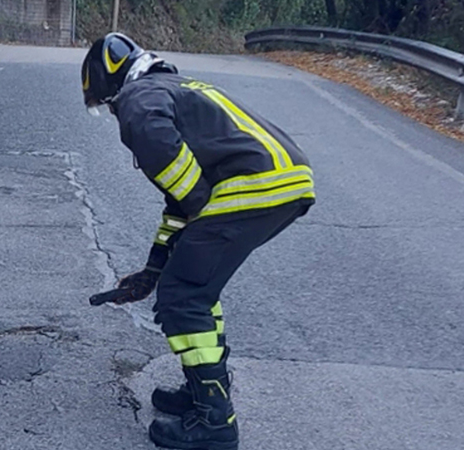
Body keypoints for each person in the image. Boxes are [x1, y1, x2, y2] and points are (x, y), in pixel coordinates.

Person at [83, 33, 315, 450]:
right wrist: (156, 267)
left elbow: (185, 192)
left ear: (113, 85)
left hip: (250, 186)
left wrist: (193, 204)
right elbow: (182, 204)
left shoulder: (138, 97)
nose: (114, 113)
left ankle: (215, 421)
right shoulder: (178, 87)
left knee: (184, 295)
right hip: (282, 183)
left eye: (107, 105)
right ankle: (202, 390)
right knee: (197, 287)